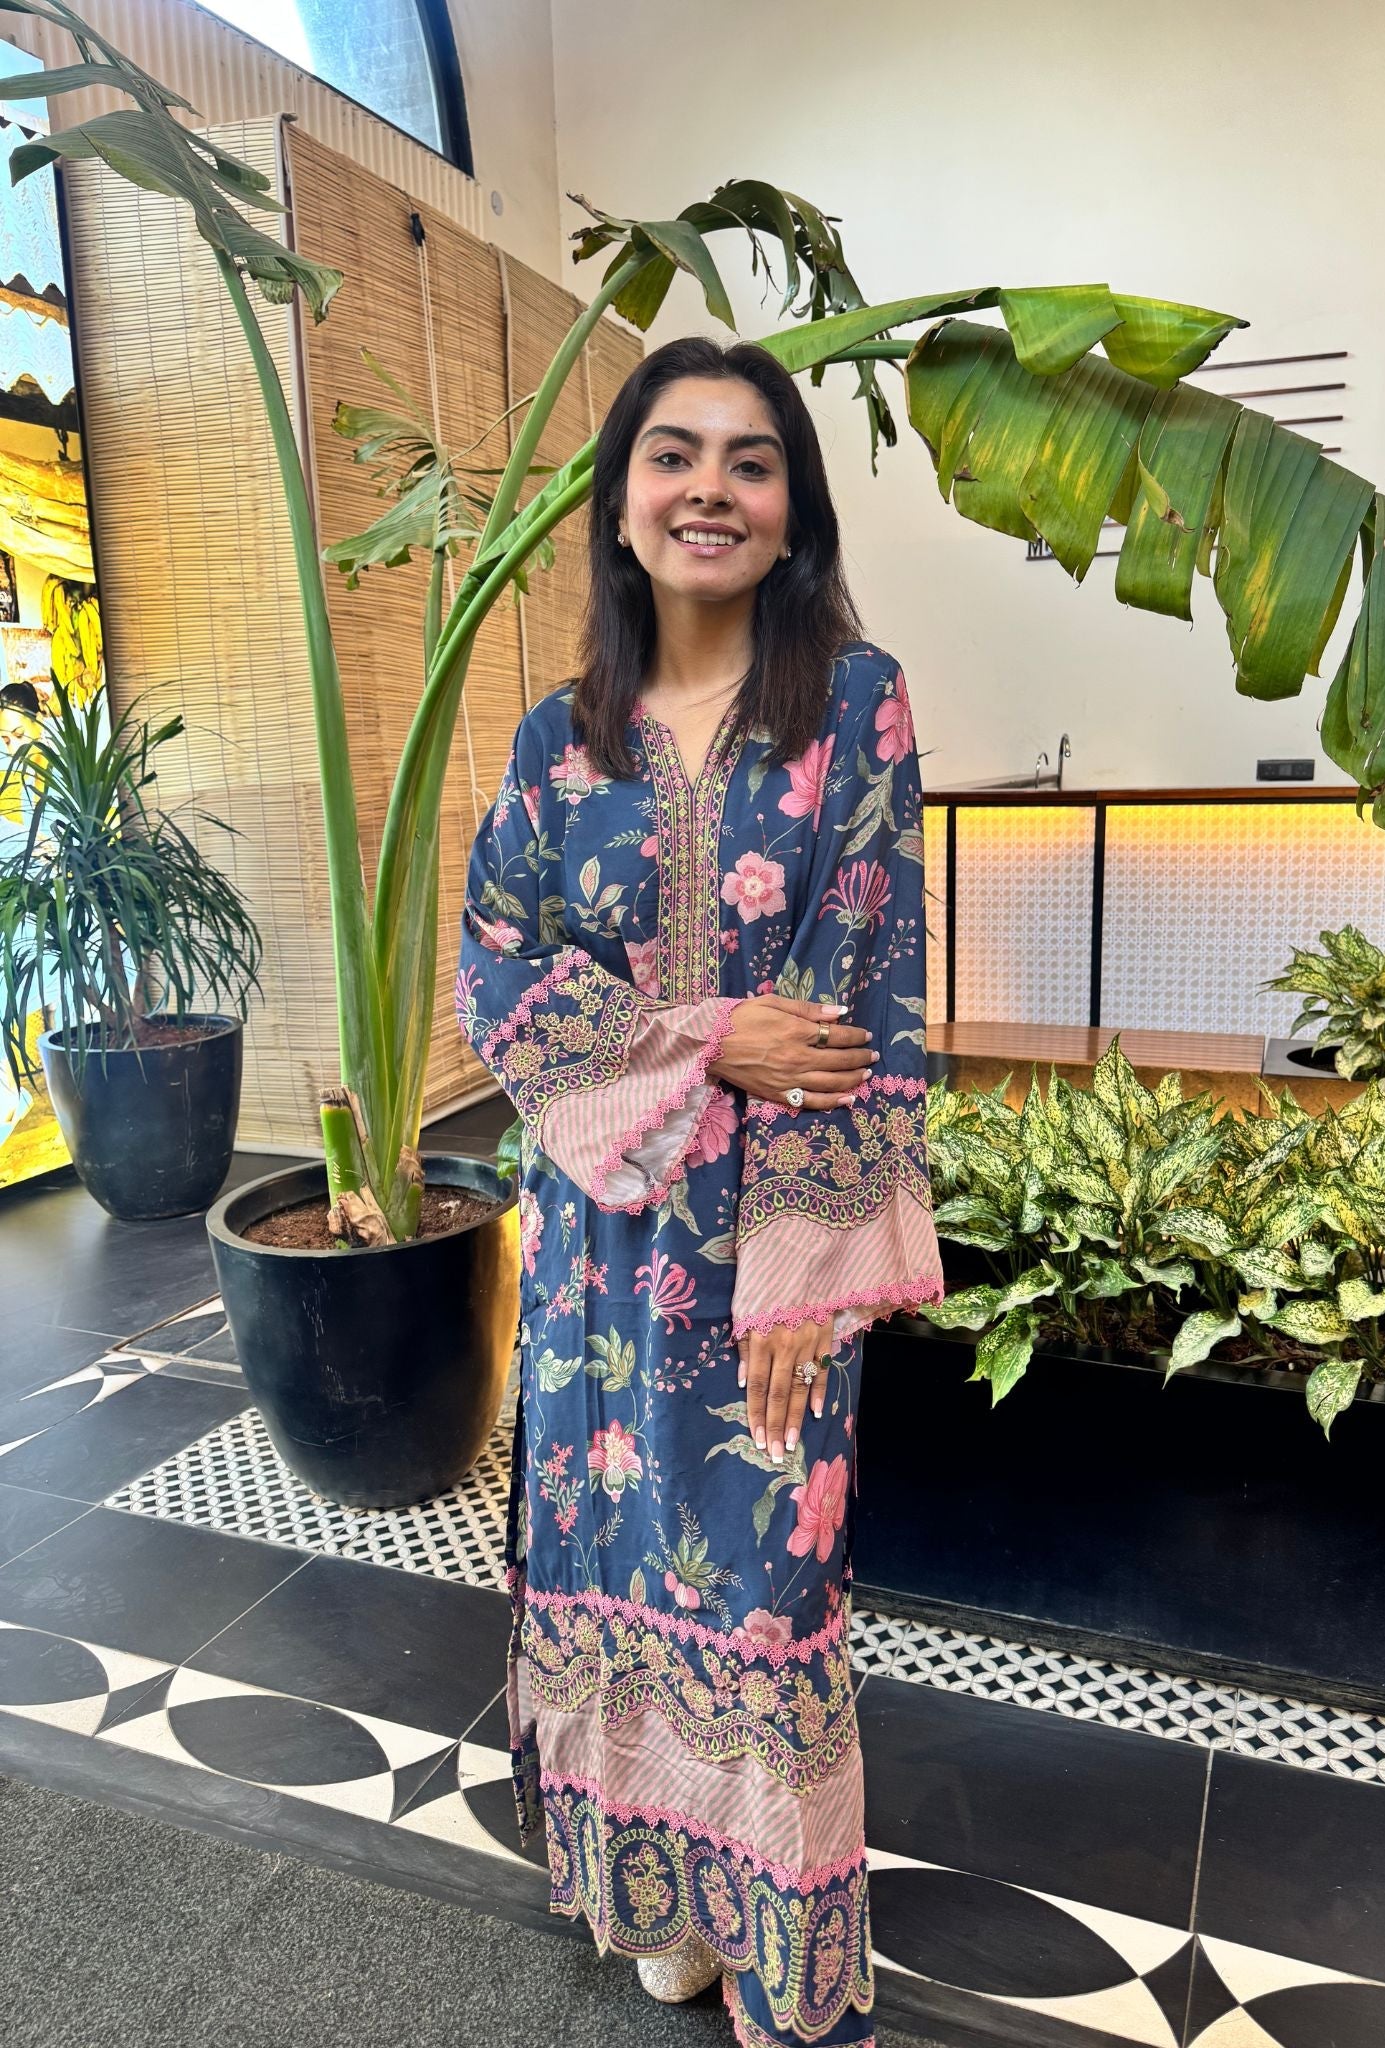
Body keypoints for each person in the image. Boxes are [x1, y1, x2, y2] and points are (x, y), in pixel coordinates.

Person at [456, 331, 943, 2048]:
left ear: (792, 507)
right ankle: (661, 1899)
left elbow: (867, 980)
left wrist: (804, 1280)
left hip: (766, 1253)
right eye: (673, 454)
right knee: (610, 1567)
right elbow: (495, 970)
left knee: (761, 1594)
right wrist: (708, 1035)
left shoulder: (854, 706)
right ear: (620, 500)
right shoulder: (556, 742)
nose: (709, 489)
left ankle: (778, 1956)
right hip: (596, 1252)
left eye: (751, 459)